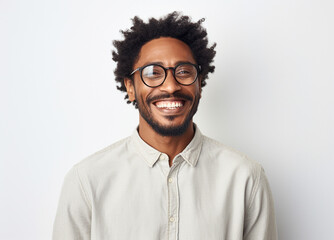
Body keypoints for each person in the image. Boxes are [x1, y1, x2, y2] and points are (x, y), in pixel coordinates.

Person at [53, 12, 278, 240]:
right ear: (130, 87)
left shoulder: (245, 178)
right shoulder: (87, 180)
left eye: (183, 72)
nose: (171, 86)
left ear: (199, 83)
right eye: (153, 73)